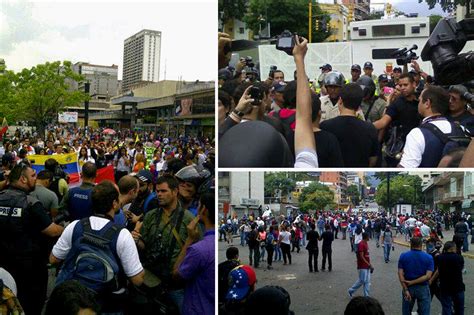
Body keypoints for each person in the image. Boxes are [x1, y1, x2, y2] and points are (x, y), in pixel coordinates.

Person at [50, 180, 144, 314]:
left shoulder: (75, 226)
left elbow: (53, 259)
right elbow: (137, 279)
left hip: (73, 302)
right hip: (105, 305)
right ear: (114, 203)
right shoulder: (122, 235)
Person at [0, 164, 64, 315]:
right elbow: (53, 231)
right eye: (33, 176)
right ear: (23, 179)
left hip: (4, 264)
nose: (36, 179)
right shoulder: (31, 203)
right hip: (30, 269)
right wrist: (66, 229)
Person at [133, 175, 198, 313]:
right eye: (157, 191)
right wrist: (137, 240)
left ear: (175, 192)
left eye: (163, 191)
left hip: (176, 285)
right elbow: (145, 246)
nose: (159, 195)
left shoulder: (188, 219)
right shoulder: (150, 216)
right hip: (152, 281)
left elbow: (196, 254)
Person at [399, 85, 468, 167]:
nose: (418, 103)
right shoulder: (462, 129)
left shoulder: (417, 134)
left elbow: (405, 170)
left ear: (427, 103)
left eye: (420, 100)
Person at [173, 192, 215, 315]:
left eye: (199, 205)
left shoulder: (198, 250)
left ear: (204, 210)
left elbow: (176, 275)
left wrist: (189, 239)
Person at [320, 83, 379, 167]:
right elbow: (373, 159)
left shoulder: (325, 126)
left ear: (340, 100)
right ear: (359, 105)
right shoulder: (370, 129)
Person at [373, 73, 421, 166]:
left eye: (405, 85)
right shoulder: (397, 104)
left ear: (414, 84)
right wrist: (362, 126)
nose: (403, 88)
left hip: (420, 144)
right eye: (400, 85)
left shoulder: (421, 100)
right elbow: (383, 122)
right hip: (400, 148)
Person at [398, 237, 434, 315]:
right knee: (424, 311)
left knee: (406, 311)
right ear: (421, 245)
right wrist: (412, 282)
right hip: (423, 287)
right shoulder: (429, 257)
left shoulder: (403, 256)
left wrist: (406, 289)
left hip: (408, 287)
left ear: (411, 244)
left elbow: (400, 274)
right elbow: (428, 276)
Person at [437, 241, 465, 315]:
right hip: (458, 286)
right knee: (459, 308)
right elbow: (461, 268)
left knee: (447, 307)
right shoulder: (459, 258)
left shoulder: (440, 257)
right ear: (453, 248)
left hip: (445, 287)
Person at [348, 232, 373, 297]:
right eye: (368, 236)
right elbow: (361, 256)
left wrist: (370, 264)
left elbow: (367, 255)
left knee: (367, 281)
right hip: (362, 265)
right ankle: (351, 290)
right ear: (366, 237)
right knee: (362, 280)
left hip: (367, 265)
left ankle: (366, 296)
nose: (369, 237)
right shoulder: (361, 244)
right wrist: (369, 264)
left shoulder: (366, 243)